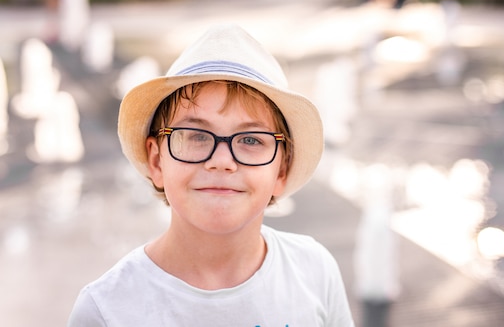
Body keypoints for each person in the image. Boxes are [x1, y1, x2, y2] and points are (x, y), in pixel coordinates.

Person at [67, 23, 355, 326]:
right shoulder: (106, 310)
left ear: (281, 170)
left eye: (250, 140)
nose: (221, 161)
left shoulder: (315, 272)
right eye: (196, 136)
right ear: (156, 161)